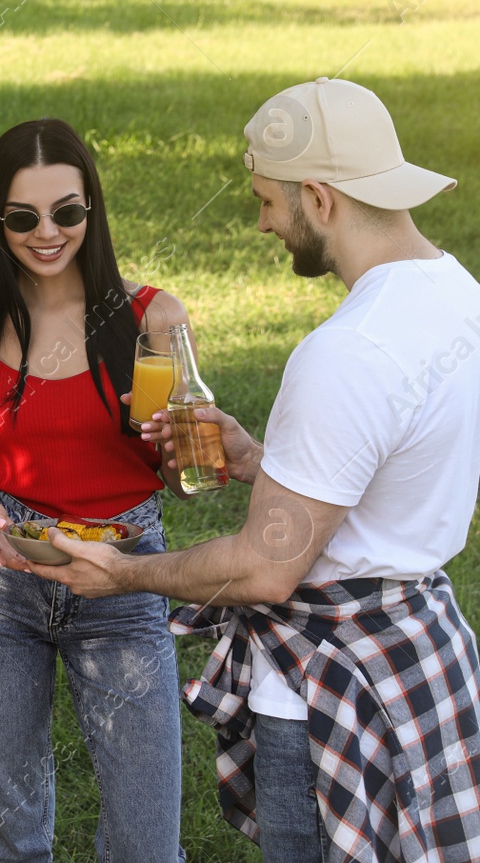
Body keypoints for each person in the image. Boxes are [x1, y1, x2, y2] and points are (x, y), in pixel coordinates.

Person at [34, 77, 480, 862]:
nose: (264, 221)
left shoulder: (347, 351)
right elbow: (384, 479)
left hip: (333, 692)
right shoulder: (458, 297)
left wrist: (121, 572)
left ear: (319, 195)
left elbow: (265, 570)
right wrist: (262, 462)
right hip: (423, 659)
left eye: (268, 200)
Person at [0, 118, 190, 863]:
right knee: (13, 834)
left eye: (67, 212)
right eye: (23, 217)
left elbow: (188, 482)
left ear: (92, 211)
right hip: (1, 588)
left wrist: (182, 457)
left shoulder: (150, 320)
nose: (47, 233)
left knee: (146, 841)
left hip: (125, 576)